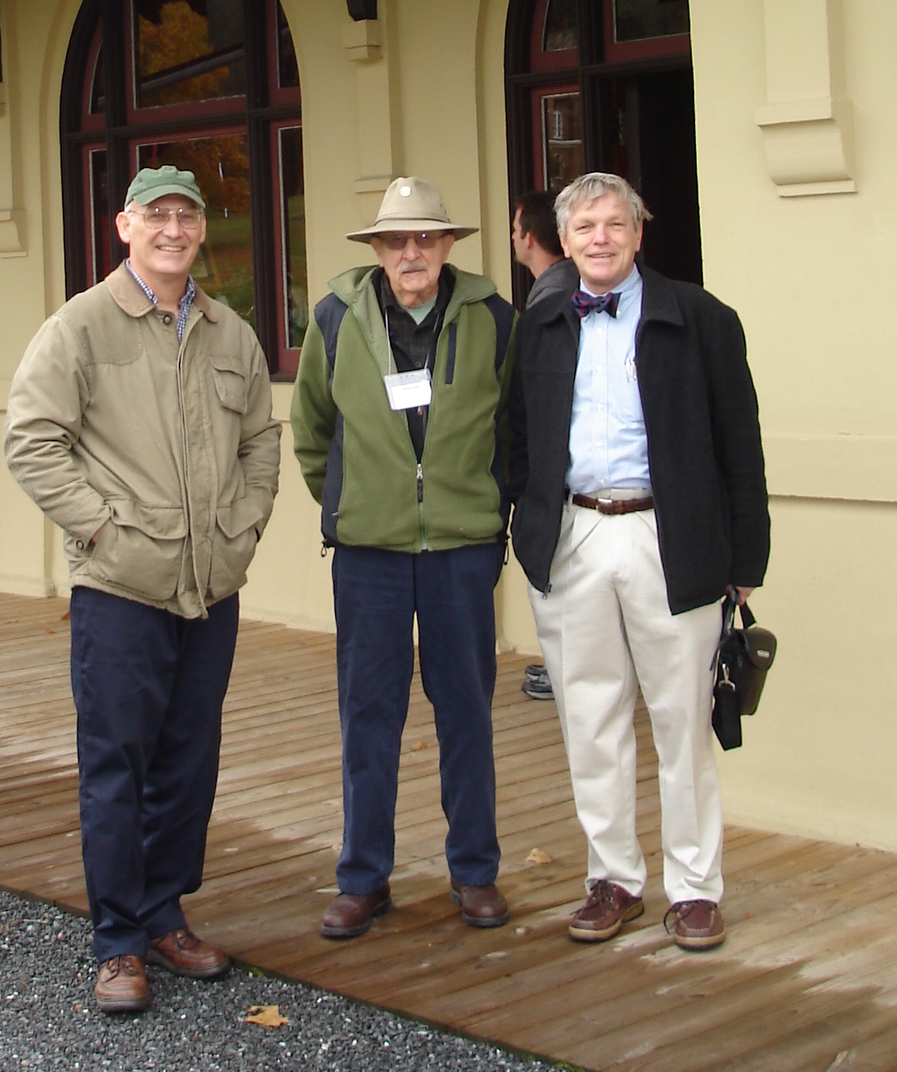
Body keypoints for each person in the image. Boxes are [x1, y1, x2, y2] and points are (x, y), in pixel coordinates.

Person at [4, 165, 280, 1015]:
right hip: (122, 589)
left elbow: (260, 446)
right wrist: (102, 532)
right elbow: (33, 442)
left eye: (186, 217)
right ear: (124, 226)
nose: (172, 229)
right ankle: (118, 942)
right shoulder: (80, 328)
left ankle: (166, 912)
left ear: (201, 231)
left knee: (188, 762)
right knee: (117, 763)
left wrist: (242, 528)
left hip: (209, 587)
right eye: (155, 216)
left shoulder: (231, 335)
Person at [508, 172, 768, 952]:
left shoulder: (702, 319)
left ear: (638, 232)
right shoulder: (542, 318)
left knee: (682, 718)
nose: (599, 238)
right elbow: (514, 437)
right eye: (584, 226)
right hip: (575, 535)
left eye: (614, 224)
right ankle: (613, 878)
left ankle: (694, 888)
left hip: (669, 536)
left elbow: (740, 446)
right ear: (567, 238)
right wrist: (527, 531)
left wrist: (745, 555)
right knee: (589, 716)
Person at [291, 176, 516, 941]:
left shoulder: (493, 318)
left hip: (460, 551)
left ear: (449, 244)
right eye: (396, 240)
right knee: (368, 716)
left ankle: (475, 871)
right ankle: (363, 878)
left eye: (425, 237)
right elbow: (313, 431)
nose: (411, 252)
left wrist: (485, 512)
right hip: (369, 554)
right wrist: (355, 504)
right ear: (377, 251)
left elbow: (513, 431)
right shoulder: (334, 317)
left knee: (466, 714)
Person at [510, 190, 576, 701]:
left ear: (529, 237)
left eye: (515, 229)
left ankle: (564, 671)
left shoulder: (554, 299)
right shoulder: (553, 291)